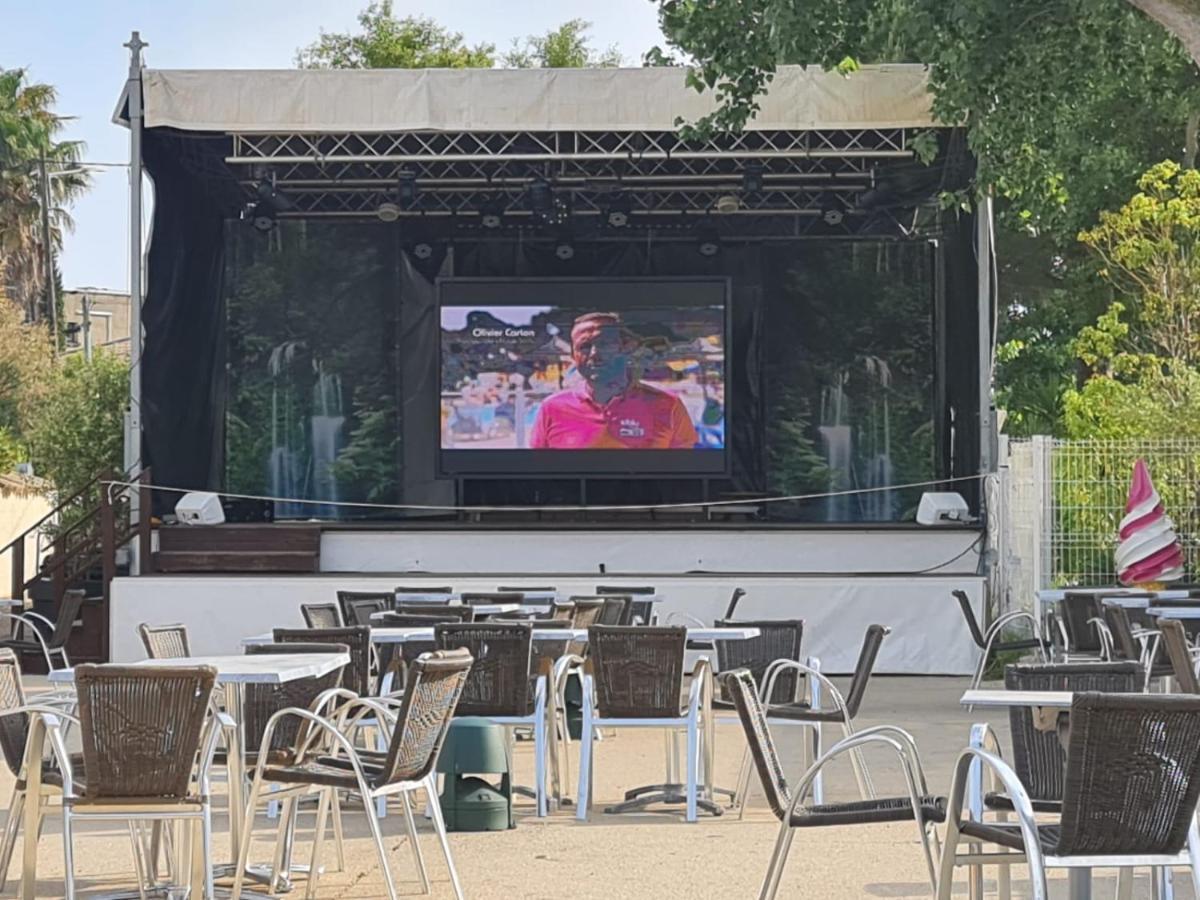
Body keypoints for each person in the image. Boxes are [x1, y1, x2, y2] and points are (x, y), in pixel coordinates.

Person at [529, 312, 699, 449]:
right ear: (573, 355)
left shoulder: (669, 406)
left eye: (605, 344)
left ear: (626, 348)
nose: (594, 354)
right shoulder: (551, 408)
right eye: (585, 347)